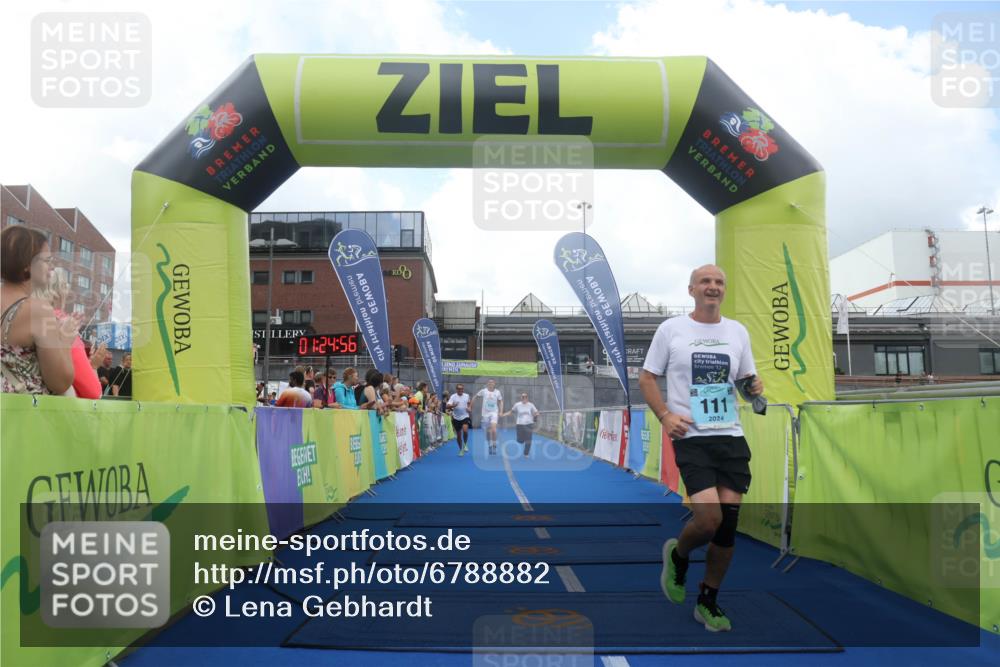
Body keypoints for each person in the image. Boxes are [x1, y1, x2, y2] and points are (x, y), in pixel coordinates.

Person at [639, 264, 763, 633]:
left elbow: (743, 381)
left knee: (727, 527)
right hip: (692, 437)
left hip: (731, 435)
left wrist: (753, 388)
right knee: (709, 520)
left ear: (724, 290)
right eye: (705, 281)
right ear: (692, 289)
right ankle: (678, 555)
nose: (713, 287)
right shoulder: (672, 329)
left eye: (719, 282)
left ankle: (708, 600)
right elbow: (647, 377)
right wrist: (664, 415)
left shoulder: (737, 331)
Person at [0, 226, 76, 394]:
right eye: (47, 260)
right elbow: (60, 382)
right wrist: (64, 340)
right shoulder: (38, 310)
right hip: (22, 416)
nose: (51, 267)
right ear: (27, 264)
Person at [35, 267, 104, 398]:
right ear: (62, 290)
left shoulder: (31, 319)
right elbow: (94, 392)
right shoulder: (64, 324)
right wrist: (93, 368)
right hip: (60, 411)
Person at [472, 378, 503, 455]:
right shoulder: (484, 391)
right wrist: (470, 406)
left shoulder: (497, 392)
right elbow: (475, 396)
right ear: (487, 384)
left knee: (494, 430)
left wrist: (501, 411)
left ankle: (495, 445)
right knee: (488, 432)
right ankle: (490, 445)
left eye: (492, 382)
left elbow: (501, 401)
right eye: (489, 382)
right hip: (485, 414)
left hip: (494, 412)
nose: (490, 383)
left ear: (494, 384)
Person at [503, 391, 539, 456]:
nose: (524, 398)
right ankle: (522, 439)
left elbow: (536, 412)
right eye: (523, 397)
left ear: (527, 398)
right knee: (520, 441)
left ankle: (526, 453)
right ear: (521, 398)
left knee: (529, 440)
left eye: (525, 397)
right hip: (520, 424)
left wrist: (536, 415)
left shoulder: (531, 405)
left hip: (529, 424)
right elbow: (511, 411)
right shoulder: (517, 404)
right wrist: (504, 414)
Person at [446, 383, 472, 456]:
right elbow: (447, 406)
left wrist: (469, 408)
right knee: (459, 435)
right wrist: (453, 405)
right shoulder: (453, 396)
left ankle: (465, 444)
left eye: (462, 389)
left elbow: (469, 403)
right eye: (459, 389)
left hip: (465, 416)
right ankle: (461, 450)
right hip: (456, 417)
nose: (460, 390)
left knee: (465, 430)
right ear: (456, 389)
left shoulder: (466, 396)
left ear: (463, 389)